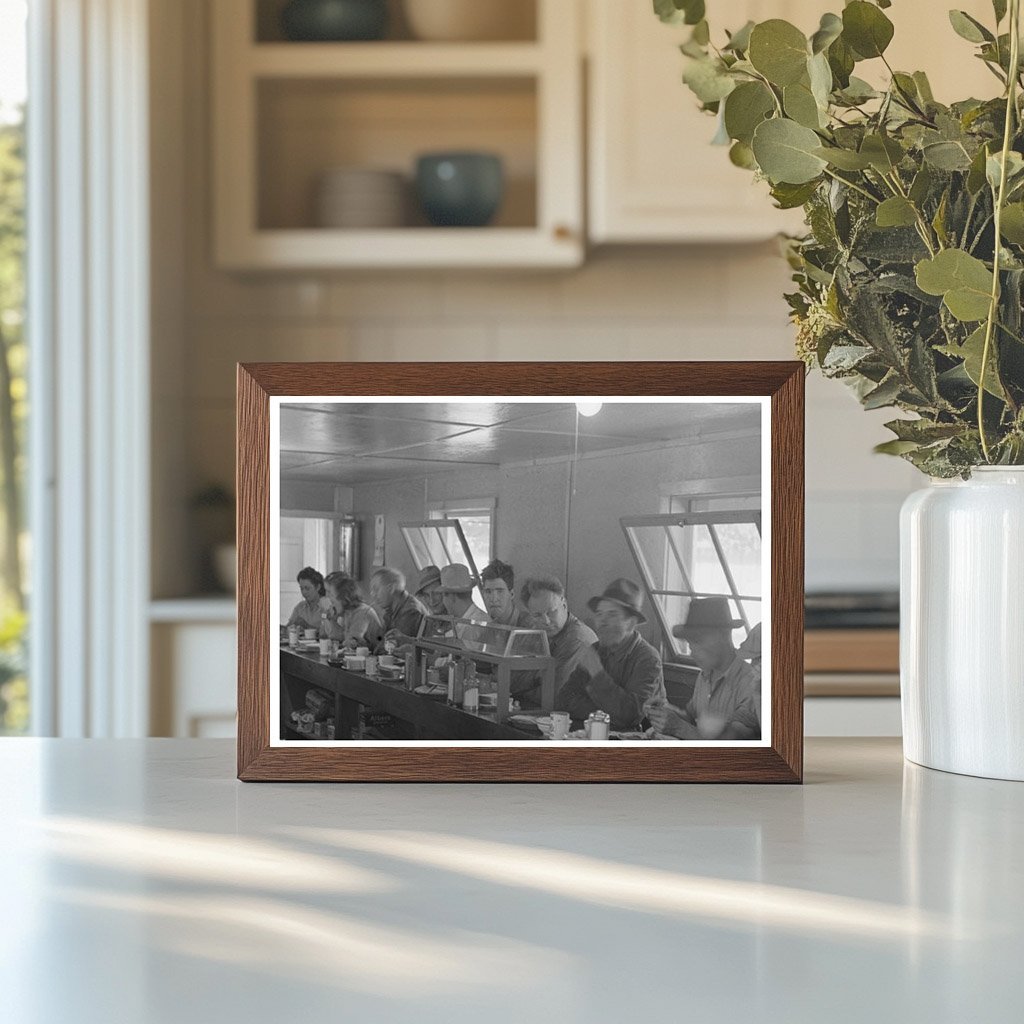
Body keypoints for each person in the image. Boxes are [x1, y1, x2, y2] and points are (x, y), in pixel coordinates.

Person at [554, 578, 665, 731]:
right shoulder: (596, 649)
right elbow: (564, 700)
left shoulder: (647, 658)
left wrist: (597, 673)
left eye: (612, 614)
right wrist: (607, 713)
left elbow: (630, 716)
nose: (602, 621)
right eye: (599, 614)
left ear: (631, 623)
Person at [647, 599, 761, 741]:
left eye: (697, 641)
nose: (692, 653)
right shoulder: (704, 676)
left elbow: (730, 745)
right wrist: (665, 711)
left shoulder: (751, 682)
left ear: (723, 635)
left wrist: (678, 727)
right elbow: (691, 719)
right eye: (690, 644)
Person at [515, 574, 598, 706]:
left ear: (564, 605)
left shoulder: (577, 638)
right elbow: (513, 677)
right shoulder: (534, 630)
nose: (546, 621)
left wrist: (520, 689)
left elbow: (554, 695)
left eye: (551, 612)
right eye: (537, 615)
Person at [321, 572, 384, 648]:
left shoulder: (362, 612)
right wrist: (332, 620)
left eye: (330, 593)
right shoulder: (348, 612)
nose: (327, 596)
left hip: (377, 654)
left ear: (343, 595)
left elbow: (351, 644)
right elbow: (337, 638)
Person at [370, 566, 427, 647]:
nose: (373, 595)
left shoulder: (409, 611)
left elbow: (393, 647)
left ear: (391, 588)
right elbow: (381, 640)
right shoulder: (392, 610)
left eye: (376, 589)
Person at [480, 559, 532, 627]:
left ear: (511, 594)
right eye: (488, 592)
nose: (494, 599)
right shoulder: (489, 627)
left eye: (500, 591)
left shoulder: (530, 626)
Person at [285, 566, 332, 631]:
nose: (304, 592)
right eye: (301, 588)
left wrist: (307, 626)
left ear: (318, 587)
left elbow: (330, 632)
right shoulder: (300, 607)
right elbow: (287, 628)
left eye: (307, 588)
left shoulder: (327, 606)